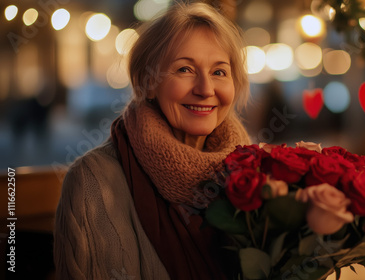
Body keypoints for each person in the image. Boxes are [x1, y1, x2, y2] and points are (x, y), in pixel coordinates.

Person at [53, 2, 251, 279]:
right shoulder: (92, 181)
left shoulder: (255, 173)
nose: (206, 89)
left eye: (219, 72)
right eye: (184, 69)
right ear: (147, 83)